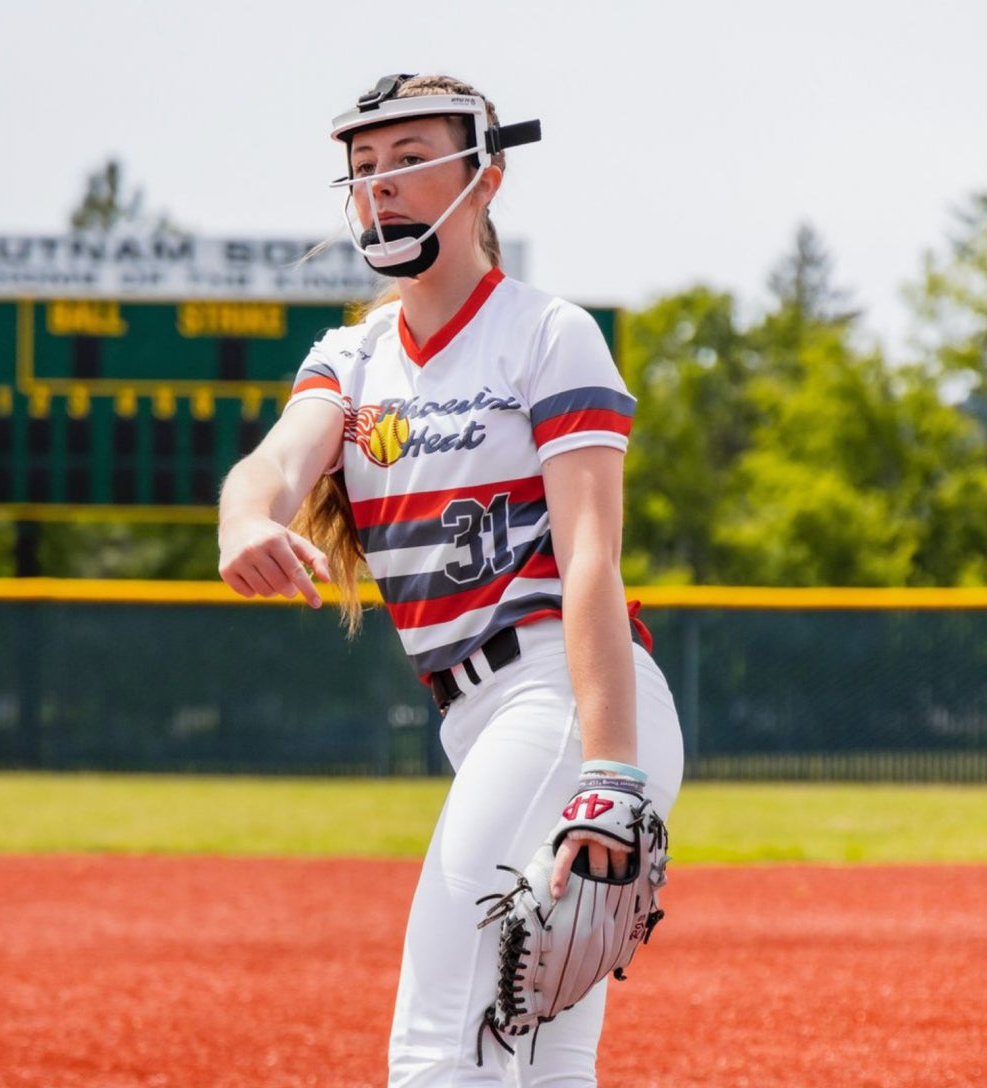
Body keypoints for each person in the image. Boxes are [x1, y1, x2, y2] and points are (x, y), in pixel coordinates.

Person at [218, 73, 685, 1088]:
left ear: (485, 176)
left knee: (436, 1042)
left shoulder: (544, 330)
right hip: (487, 715)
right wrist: (242, 514)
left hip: (569, 699)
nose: (381, 186)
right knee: (537, 1054)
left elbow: (590, 559)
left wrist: (610, 771)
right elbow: (276, 463)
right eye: (363, 168)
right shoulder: (350, 355)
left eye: (412, 159)